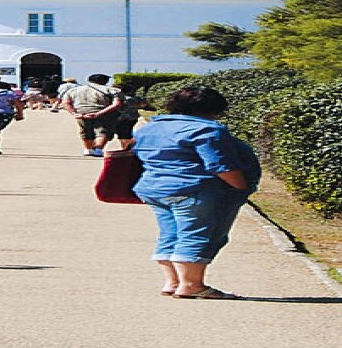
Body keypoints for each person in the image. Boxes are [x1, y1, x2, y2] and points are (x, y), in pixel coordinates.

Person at [132, 86, 257, 299]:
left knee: (170, 234)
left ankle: (173, 282)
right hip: (193, 190)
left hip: (154, 189)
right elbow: (220, 165)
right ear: (214, 108)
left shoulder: (149, 128)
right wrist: (241, 186)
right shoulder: (208, 130)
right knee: (196, 235)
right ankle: (192, 285)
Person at [63, 73, 123, 156]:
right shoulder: (112, 90)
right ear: (105, 81)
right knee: (103, 132)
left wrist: (74, 113)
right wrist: (98, 113)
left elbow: (66, 103)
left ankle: (88, 149)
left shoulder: (74, 90)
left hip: (82, 113)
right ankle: (98, 149)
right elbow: (117, 104)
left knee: (86, 132)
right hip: (104, 113)